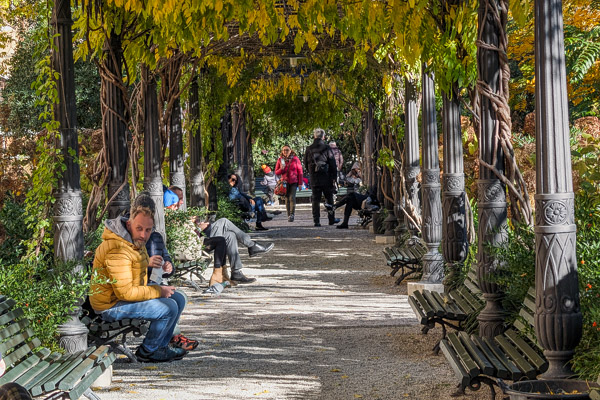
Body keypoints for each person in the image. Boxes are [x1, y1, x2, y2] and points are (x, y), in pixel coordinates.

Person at [90, 194, 189, 363]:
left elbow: (133, 271)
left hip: (124, 296)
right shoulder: (117, 248)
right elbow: (125, 293)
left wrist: (152, 265)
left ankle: (161, 346)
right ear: (129, 224)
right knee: (169, 308)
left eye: (148, 230)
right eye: (139, 228)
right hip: (110, 305)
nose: (143, 235)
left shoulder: (134, 241)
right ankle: (148, 351)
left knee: (178, 298)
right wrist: (158, 290)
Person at [194, 217, 274, 284]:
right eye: (180, 198)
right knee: (223, 221)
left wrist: (201, 225)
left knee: (230, 235)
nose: (182, 202)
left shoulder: (183, 209)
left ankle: (236, 272)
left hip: (200, 239)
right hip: (196, 244)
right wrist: (202, 225)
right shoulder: (182, 215)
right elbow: (191, 230)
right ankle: (252, 245)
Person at [304, 128, 339, 227]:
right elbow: (332, 163)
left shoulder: (309, 148)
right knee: (329, 198)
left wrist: (311, 172)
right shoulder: (327, 148)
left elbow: (305, 163)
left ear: (314, 136)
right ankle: (331, 219)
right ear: (323, 136)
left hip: (314, 177)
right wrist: (334, 177)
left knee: (315, 199)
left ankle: (316, 221)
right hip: (326, 177)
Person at [275, 145, 304, 222]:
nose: (285, 152)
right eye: (284, 150)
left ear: (290, 150)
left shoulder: (295, 159)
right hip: (284, 182)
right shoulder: (280, 160)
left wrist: (300, 183)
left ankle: (292, 214)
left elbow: (300, 172)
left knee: (292, 197)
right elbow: (276, 172)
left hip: (294, 181)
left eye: (287, 150)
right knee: (287, 198)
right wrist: (281, 169)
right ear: (282, 151)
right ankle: (289, 215)